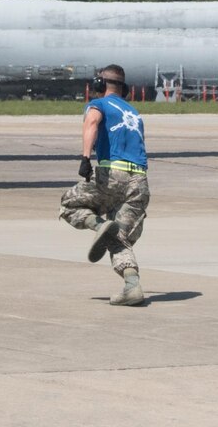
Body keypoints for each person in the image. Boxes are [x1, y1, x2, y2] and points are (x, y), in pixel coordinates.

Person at [60, 65, 150, 307]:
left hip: (113, 174)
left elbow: (92, 122)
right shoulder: (134, 111)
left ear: (99, 85)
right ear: (125, 89)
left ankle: (98, 224)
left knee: (69, 204)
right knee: (120, 238)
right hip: (140, 182)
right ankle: (132, 286)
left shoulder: (99, 104)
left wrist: (85, 158)